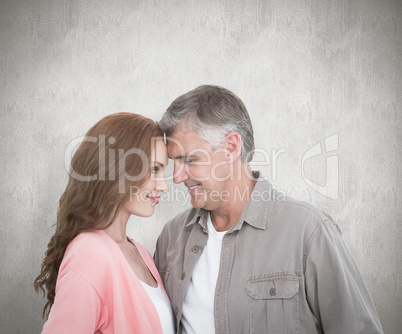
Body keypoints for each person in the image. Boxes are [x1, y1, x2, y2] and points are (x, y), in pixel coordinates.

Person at [154, 85, 383, 334]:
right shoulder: (171, 237)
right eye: (174, 161)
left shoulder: (309, 232)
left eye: (189, 160)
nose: (176, 178)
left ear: (231, 148)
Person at [34, 112, 175, 334]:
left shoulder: (141, 252)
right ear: (119, 168)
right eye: (155, 169)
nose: (164, 186)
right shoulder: (89, 252)